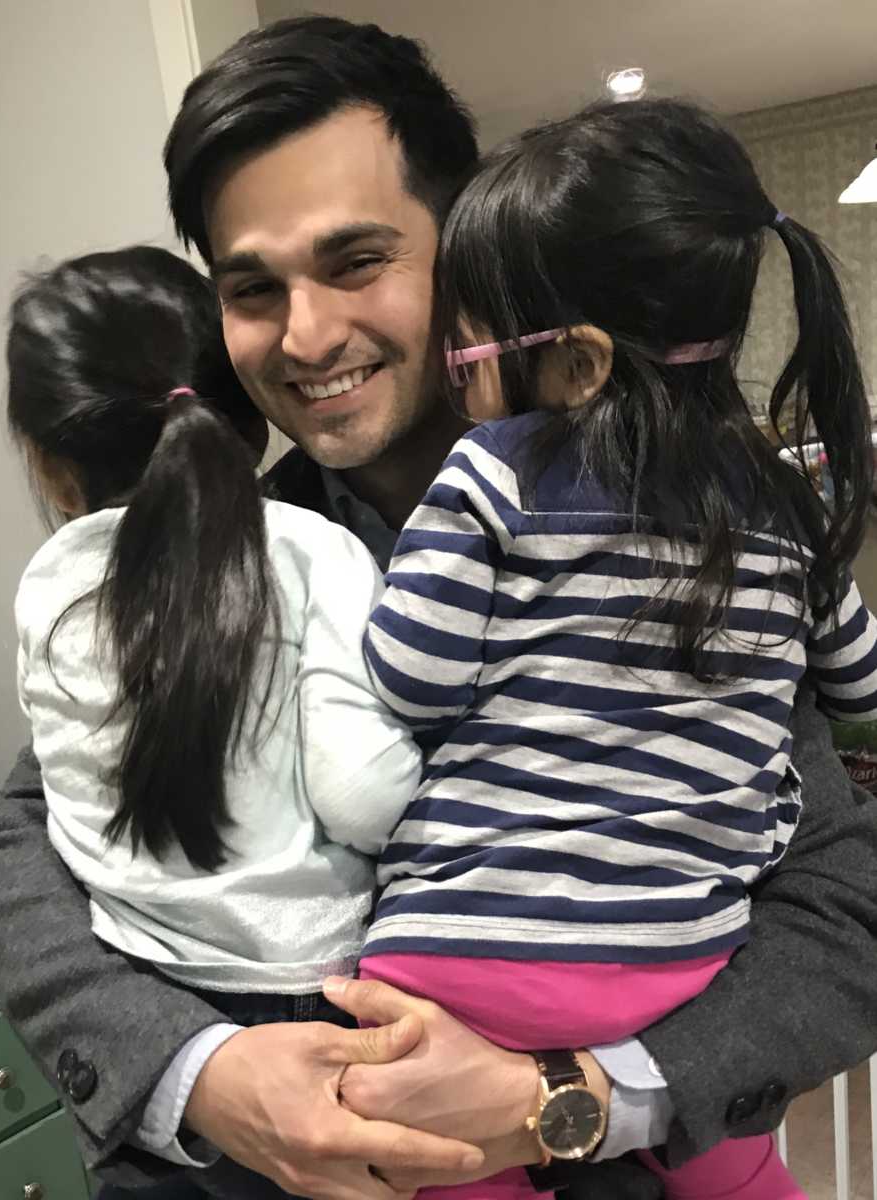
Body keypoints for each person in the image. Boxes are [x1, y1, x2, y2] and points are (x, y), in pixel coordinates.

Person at [0, 17, 877, 1200]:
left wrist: (580, 1098)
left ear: (466, 252)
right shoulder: (212, 552)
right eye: (253, 288)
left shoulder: (669, 528)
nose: (306, 339)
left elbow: (842, 901)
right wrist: (206, 1075)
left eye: (357, 262)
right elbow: (16, 843)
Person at [360, 97, 877, 1200]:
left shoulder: (495, 469)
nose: (462, 371)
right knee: (732, 1163)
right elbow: (861, 683)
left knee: (444, 1171)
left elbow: (411, 678)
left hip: (462, 958)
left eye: (474, 346)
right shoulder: (786, 504)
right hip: (686, 965)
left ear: (582, 362)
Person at [8, 244, 486, 1197]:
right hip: (320, 994)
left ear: (52, 467)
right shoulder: (313, 549)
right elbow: (358, 794)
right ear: (242, 417)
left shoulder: (47, 585)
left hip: (146, 1001)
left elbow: (58, 809)